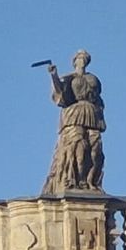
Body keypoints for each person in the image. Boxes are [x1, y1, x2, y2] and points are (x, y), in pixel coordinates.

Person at [42, 50, 105, 194]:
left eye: (84, 58)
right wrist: (54, 76)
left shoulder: (94, 78)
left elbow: (98, 98)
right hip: (74, 114)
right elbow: (60, 95)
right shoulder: (68, 78)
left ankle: (90, 181)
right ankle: (73, 180)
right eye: (79, 58)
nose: (81, 60)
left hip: (92, 114)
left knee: (95, 150)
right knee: (77, 147)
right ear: (75, 61)